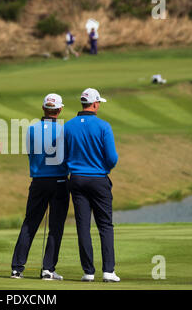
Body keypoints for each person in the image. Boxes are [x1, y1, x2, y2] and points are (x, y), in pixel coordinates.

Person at [11, 94, 70, 281]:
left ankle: (17, 269)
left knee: (30, 223)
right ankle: (48, 270)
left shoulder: (32, 129)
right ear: (60, 110)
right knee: (55, 226)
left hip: (38, 181)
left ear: (43, 109)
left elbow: (30, 153)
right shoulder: (64, 130)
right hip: (60, 181)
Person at [64, 88, 120, 282]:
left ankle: (88, 272)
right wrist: (104, 167)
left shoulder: (68, 126)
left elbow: (63, 155)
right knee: (105, 225)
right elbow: (112, 158)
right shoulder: (104, 126)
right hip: (98, 180)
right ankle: (108, 271)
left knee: (83, 226)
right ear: (95, 104)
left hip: (77, 180)